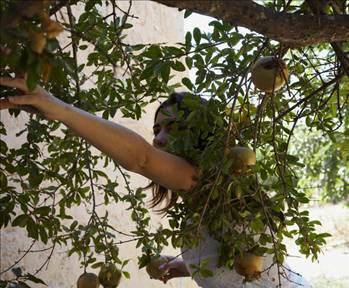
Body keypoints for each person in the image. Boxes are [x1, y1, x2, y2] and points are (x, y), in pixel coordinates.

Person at [0, 77, 310, 287]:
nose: (159, 139)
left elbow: (141, 158)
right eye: (157, 129)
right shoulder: (202, 199)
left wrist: (61, 109)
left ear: (202, 134)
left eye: (173, 129)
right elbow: (240, 262)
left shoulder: (211, 180)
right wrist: (184, 266)